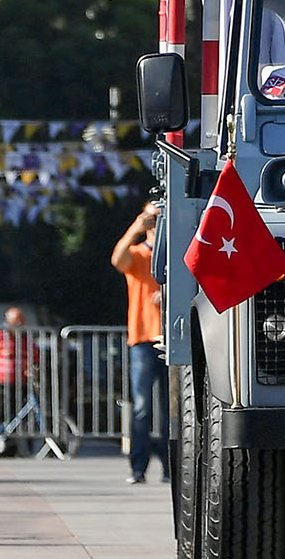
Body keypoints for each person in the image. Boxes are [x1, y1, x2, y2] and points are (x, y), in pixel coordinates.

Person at [110, 203, 167, 485]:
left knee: (174, 408)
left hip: (170, 338)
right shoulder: (138, 254)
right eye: (151, 219)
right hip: (143, 339)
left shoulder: (174, 254)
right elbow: (117, 260)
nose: (154, 224)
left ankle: (172, 468)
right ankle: (138, 468)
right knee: (143, 406)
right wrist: (136, 227)